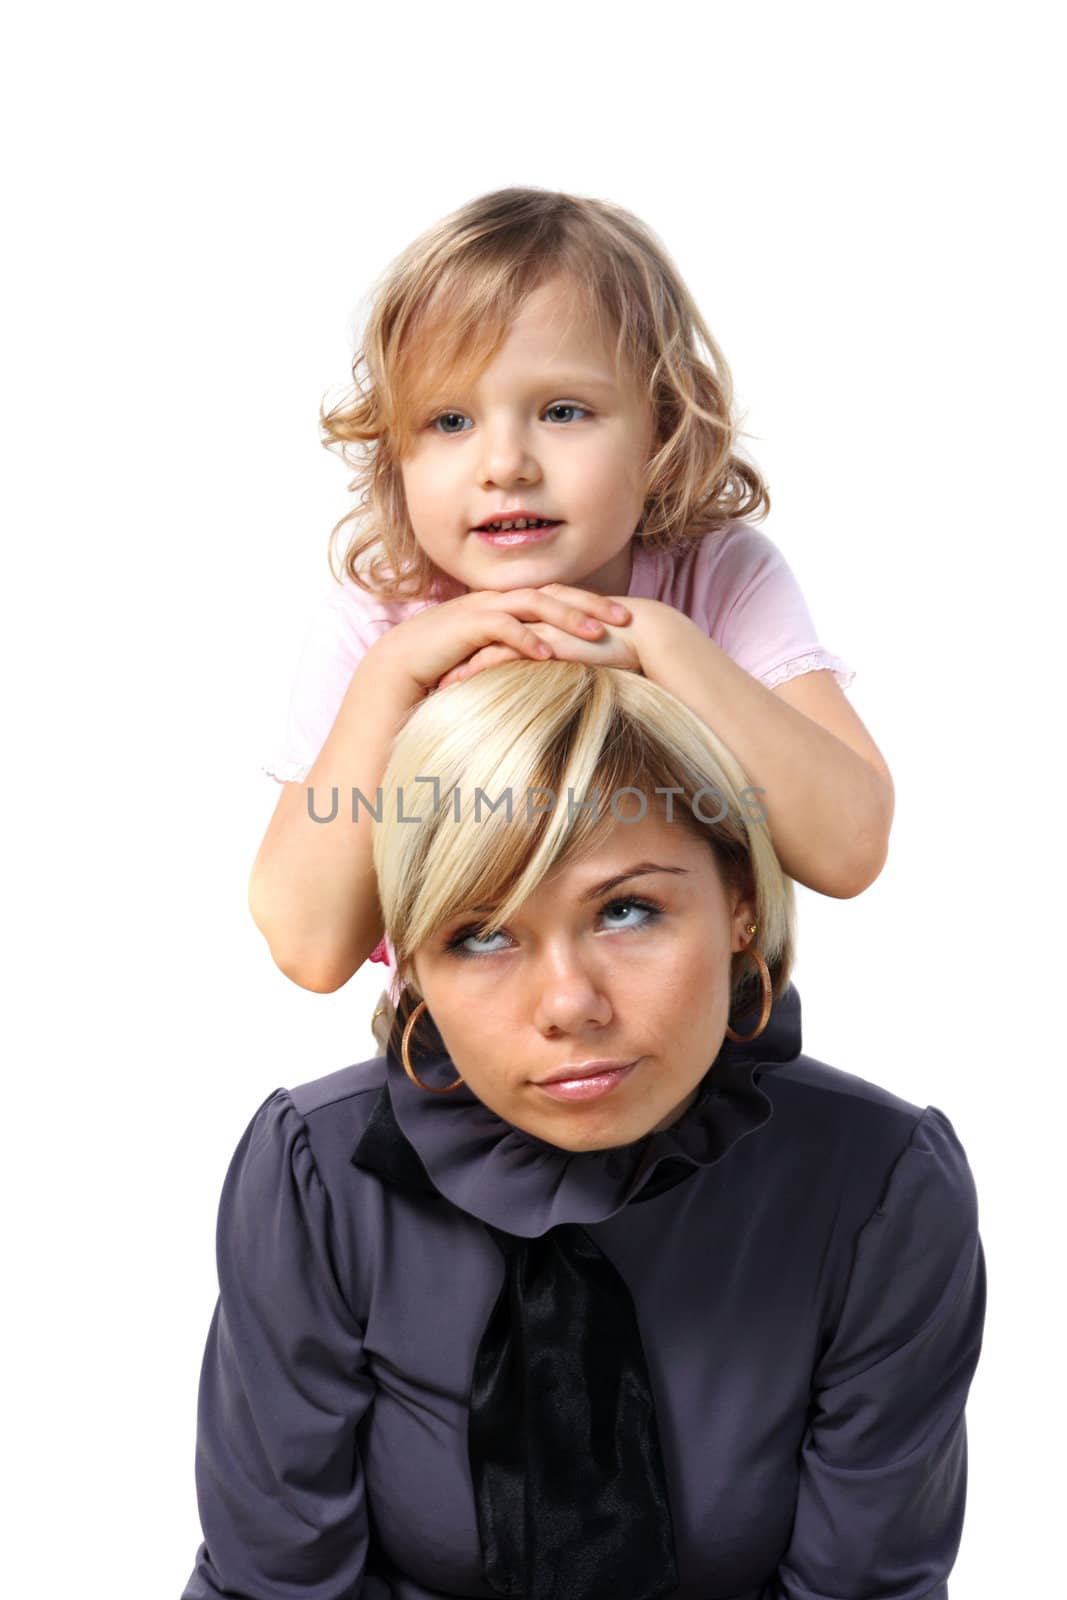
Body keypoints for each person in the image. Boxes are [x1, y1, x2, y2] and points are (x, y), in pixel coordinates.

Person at [186, 662, 984, 1600]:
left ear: (739, 902)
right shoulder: (314, 1174)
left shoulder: (879, 1186)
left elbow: (864, 1588)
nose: (568, 1005)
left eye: (626, 910)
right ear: (409, 967)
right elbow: (274, 1583)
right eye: (480, 934)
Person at [248, 186, 894, 1019]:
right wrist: (390, 682)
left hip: (692, 1048)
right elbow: (308, 947)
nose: (505, 463)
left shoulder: (717, 580)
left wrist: (662, 644)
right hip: (471, 1066)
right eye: (448, 421)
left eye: (562, 411)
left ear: (662, 424)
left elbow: (848, 848)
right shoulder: (382, 623)